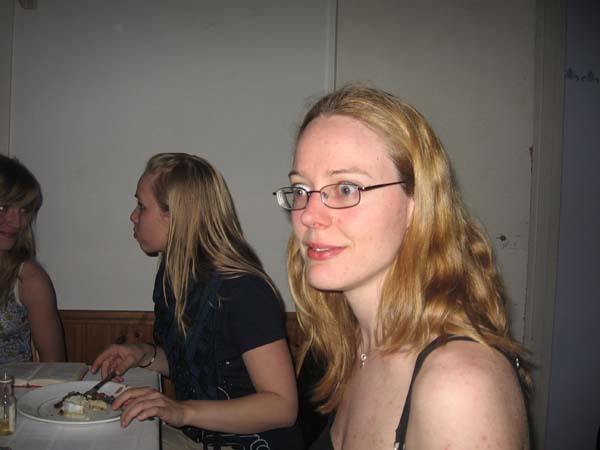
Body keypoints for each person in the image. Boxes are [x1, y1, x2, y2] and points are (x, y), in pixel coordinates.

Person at [273, 85, 531, 449]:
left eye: (345, 188)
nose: (309, 216)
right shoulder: (352, 344)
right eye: (301, 190)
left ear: (417, 204)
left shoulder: (460, 387)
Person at [92, 153, 303, 450]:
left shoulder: (243, 291)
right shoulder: (174, 276)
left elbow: (282, 407)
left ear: (176, 216)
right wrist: (143, 354)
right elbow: (197, 368)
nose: (133, 216)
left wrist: (182, 411)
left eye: (142, 206)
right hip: (197, 438)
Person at [0, 155, 66, 364]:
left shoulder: (28, 279)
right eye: (3, 208)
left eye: (24, 210)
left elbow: (55, 367)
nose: (17, 222)